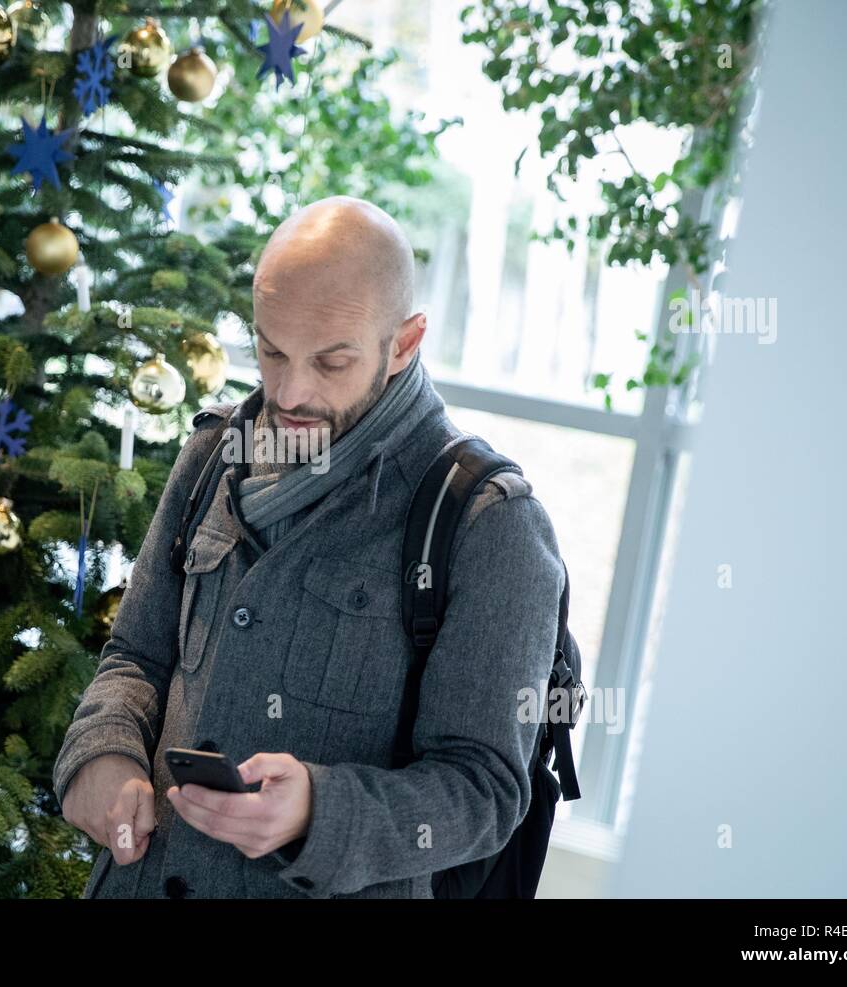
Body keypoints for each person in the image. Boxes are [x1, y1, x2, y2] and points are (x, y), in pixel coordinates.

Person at [53, 195, 565, 898]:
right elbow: (136, 655)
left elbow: (484, 790)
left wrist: (318, 812)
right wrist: (101, 755)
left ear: (405, 343)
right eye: (270, 351)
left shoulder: (488, 521)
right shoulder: (213, 452)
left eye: (331, 362)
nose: (290, 391)